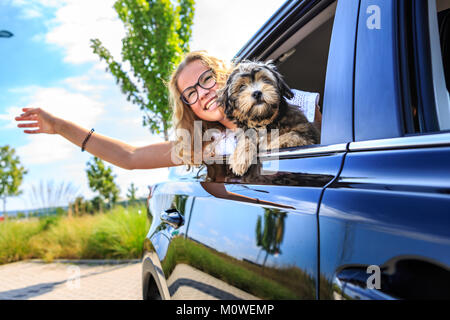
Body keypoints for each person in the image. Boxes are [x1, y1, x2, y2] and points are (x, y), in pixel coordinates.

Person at [15, 50, 321, 171]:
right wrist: (59, 126)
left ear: (225, 76)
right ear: (190, 109)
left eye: (206, 79)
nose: (203, 94)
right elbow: (130, 157)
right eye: (191, 93)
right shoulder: (205, 146)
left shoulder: (289, 103)